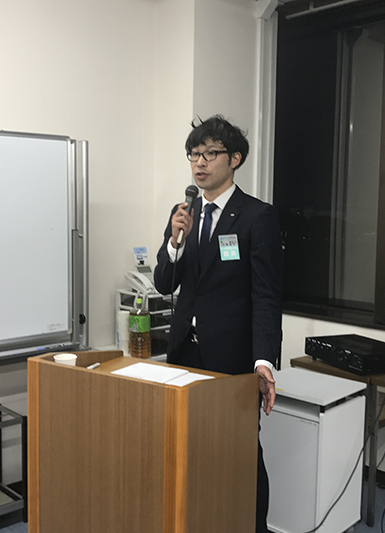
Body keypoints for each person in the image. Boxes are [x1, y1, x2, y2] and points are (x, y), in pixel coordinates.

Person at [153, 115, 283, 533]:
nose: (200, 163)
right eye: (194, 154)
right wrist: (174, 243)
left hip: (232, 358)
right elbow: (164, 283)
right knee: (188, 447)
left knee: (240, 453)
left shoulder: (256, 217)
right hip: (185, 353)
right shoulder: (184, 213)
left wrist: (264, 360)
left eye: (210, 153)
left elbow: (266, 295)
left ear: (235, 159)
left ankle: (253, 526)